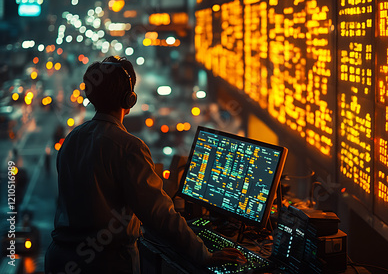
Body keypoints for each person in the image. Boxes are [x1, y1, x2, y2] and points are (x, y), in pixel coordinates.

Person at [45, 56, 245, 273]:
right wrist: (204, 255)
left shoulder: (73, 138)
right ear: (129, 99)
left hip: (59, 258)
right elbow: (159, 214)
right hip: (105, 264)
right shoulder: (129, 147)